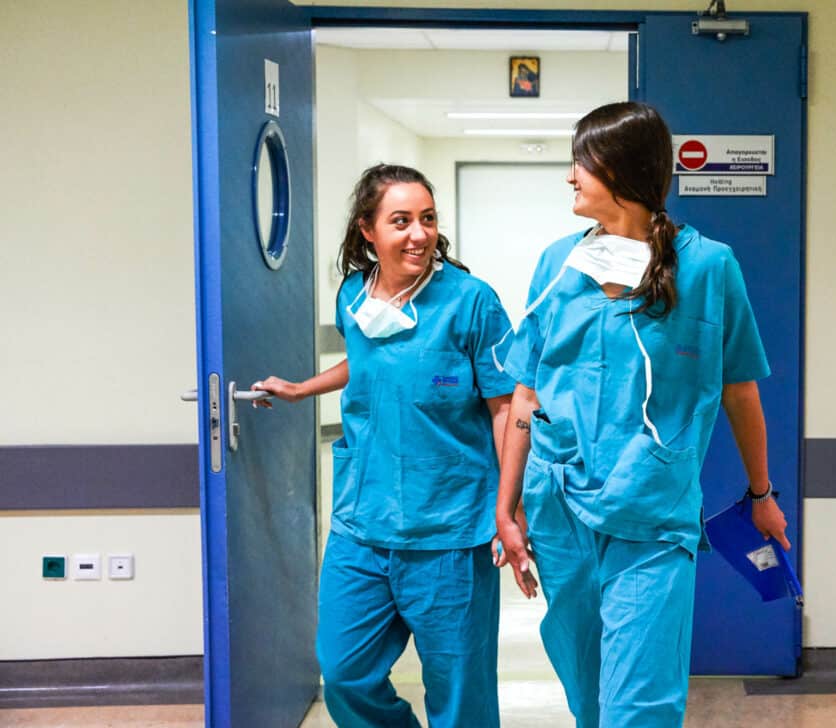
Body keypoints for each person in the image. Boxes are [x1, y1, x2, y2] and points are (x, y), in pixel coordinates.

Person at [492, 101, 791, 727]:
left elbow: (740, 392)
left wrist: (761, 493)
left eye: (582, 162)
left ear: (622, 169)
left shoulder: (709, 268)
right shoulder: (559, 265)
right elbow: (527, 392)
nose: (571, 177)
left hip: (651, 518)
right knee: (589, 699)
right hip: (561, 511)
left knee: (639, 708)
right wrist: (508, 505)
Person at [251, 164, 515, 727]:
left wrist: (509, 507)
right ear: (369, 229)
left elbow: (505, 408)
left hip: (450, 527)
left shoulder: (471, 302)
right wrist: (303, 388)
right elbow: (370, 360)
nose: (418, 233)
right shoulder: (354, 293)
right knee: (344, 672)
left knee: (461, 695)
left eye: (427, 218)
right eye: (400, 221)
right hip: (362, 523)